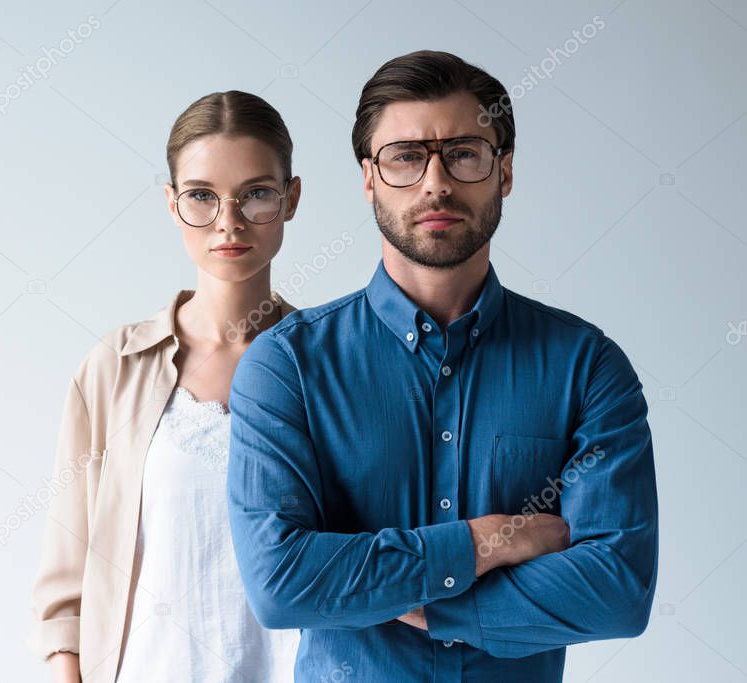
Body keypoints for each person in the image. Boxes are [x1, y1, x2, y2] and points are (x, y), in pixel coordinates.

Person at [227, 50, 658, 682]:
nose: (436, 183)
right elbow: (280, 583)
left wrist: (427, 598)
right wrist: (483, 543)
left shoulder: (587, 366)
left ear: (503, 171)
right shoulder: (285, 366)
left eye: (464, 153)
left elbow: (618, 588)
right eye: (405, 156)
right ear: (369, 177)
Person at [28, 90, 302, 683]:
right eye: (202, 196)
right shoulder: (113, 369)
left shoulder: (334, 365)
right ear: (172, 204)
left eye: (255, 193)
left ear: (291, 199)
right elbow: (65, 584)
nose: (228, 221)